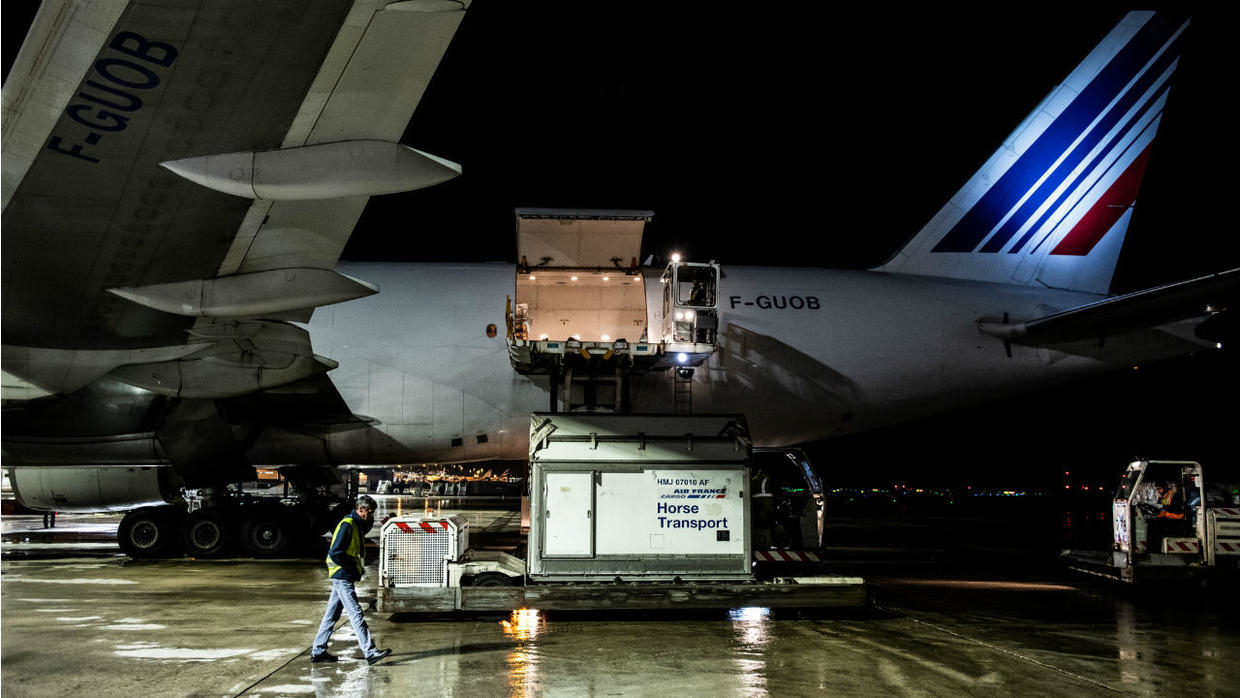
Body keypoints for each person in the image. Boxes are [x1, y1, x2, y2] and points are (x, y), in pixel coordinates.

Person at [311, 495, 391, 665]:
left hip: (343, 576)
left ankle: (318, 651)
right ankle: (370, 652)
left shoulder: (355, 525)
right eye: (368, 512)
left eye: (372, 513)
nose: (371, 515)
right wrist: (350, 568)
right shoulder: (348, 525)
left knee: (331, 615)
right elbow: (335, 552)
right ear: (360, 509)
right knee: (355, 614)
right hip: (342, 576)